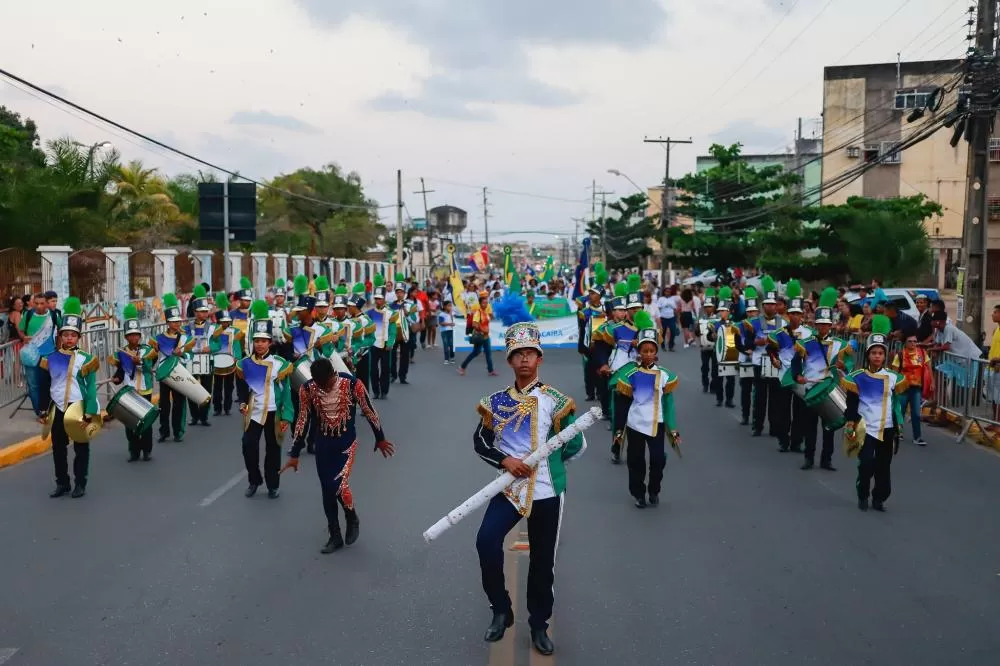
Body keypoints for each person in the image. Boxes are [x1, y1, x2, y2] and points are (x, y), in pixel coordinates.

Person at [473, 322, 586, 656]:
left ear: (539, 359)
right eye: (517, 354)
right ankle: (501, 609)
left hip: (547, 492)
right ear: (509, 361)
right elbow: (479, 441)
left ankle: (539, 624)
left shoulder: (556, 401)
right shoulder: (495, 401)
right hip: (509, 489)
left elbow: (575, 443)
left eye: (530, 354)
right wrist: (505, 461)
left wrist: (549, 468)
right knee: (486, 543)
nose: (524, 360)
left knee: (542, 560)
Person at [282, 357, 394, 552]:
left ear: (333, 374)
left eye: (326, 383)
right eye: (319, 384)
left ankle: (351, 516)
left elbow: (369, 411)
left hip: (346, 443)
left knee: (337, 484)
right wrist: (295, 452)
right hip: (323, 443)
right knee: (327, 489)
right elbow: (302, 420)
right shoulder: (307, 389)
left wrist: (380, 438)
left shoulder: (352, 384)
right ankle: (335, 535)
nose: (323, 388)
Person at [613, 313, 680, 508]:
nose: (648, 354)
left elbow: (668, 404)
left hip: (657, 425)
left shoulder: (665, 375)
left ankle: (654, 490)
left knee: (658, 460)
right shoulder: (630, 375)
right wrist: (619, 430)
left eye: (652, 350)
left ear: (656, 352)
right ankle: (639, 494)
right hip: (635, 424)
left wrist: (673, 429)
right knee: (636, 461)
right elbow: (622, 405)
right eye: (645, 350)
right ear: (639, 352)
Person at [842, 315, 908, 512]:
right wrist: (850, 423)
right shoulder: (857, 377)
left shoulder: (894, 377)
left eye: (881, 353)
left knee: (883, 467)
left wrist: (899, 425)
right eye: (874, 353)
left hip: (887, 429)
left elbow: (897, 403)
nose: (877, 356)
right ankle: (863, 494)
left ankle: (879, 498)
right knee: (866, 465)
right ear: (868, 355)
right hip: (866, 428)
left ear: (885, 355)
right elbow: (851, 403)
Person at [39, 297, 100, 498]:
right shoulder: (52, 358)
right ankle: (62, 483)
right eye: (66, 335)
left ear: (78, 337)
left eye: (73, 335)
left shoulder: (87, 360)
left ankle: (80, 483)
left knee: (81, 447)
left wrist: (90, 412)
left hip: (78, 408)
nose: (69, 339)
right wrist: (41, 409)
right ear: (61, 336)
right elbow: (45, 384)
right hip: (57, 408)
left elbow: (90, 387)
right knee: (58, 448)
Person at [236, 300, 294, 499]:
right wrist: (243, 402)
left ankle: (273, 485)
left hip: (273, 412)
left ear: (270, 342)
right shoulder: (245, 363)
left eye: (263, 340)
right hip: (254, 412)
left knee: (273, 450)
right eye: (257, 340)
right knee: (248, 446)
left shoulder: (280, 364)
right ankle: (254, 480)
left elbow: (286, 392)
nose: (259, 344)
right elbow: (243, 388)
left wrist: (287, 416)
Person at [109, 304, 158, 462]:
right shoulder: (122, 353)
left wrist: (140, 362)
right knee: (130, 423)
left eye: (136, 335)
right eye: (130, 335)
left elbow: (149, 367)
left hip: (144, 390)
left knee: (146, 423)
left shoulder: (147, 350)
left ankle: (147, 451)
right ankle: (134, 451)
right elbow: (121, 371)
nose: (134, 338)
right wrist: (116, 378)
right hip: (129, 391)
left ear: (140, 336)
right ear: (126, 337)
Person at [766, 280, 811, 454]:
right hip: (784, 376)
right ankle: (783, 440)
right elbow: (770, 349)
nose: (795, 317)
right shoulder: (779, 334)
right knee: (782, 411)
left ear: (802, 316)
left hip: (801, 377)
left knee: (800, 411)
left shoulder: (810, 334)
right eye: (792, 313)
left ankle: (796, 442)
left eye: (798, 314)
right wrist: (774, 359)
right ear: (787, 314)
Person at [150, 293, 194, 443]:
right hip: (164, 373)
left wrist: (182, 354)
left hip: (179, 372)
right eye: (173, 321)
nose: (177, 324)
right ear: (167, 322)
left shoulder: (185, 338)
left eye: (178, 321)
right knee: (164, 404)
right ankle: (164, 431)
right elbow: (154, 356)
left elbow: (190, 356)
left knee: (179, 403)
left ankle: (178, 431)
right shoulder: (158, 338)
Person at [748, 276, 786, 439]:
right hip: (759, 361)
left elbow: (787, 344)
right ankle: (757, 425)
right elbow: (749, 343)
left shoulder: (783, 323)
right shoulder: (755, 322)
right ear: (763, 306)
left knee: (776, 398)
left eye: (773, 304)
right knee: (760, 396)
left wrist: (777, 344)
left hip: (776, 363)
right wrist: (761, 341)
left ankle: (774, 427)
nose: (770, 307)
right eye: (767, 304)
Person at [890, 333, 932, 446]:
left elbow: (928, 366)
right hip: (902, 388)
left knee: (916, 414)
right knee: (900, 411)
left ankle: (917, 437)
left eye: (915, 341)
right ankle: (898, 433)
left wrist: (931, 382)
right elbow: (894, 371)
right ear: (905, 343)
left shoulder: (922, 353)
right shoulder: (900, 355)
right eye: (910, 341)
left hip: (916, 388)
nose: (913, 343)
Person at [209, 293, 244, 417]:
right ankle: (217, 408)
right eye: (223, 321)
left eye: (227, 321)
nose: (225, 323)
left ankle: (227, 407)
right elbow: (211, 344)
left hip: (231, 363)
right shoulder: (213, 330)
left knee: (229, 387)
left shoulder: (234, 331)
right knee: (217, 387)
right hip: (217, 363)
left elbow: (237, 347)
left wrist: (237, 358)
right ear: (218, 321)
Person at [184, 285, 214, 427]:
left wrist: (211, 347)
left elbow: (218, 343)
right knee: (192, 388)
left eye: (205, 311)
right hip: (192, 360)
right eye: (200, 311)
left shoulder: (213, 327)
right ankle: (194, 416)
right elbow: (184, 343)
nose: (204, 314)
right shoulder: (187, 327)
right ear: (195, 312)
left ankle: (204, 416)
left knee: (207, 389)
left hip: (207, 360)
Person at [365, 276, 395, 399]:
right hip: (373, 344)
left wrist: (390, 343)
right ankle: (376, 391)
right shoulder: (370, 313)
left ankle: (384, 391)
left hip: (386, 344)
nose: (378, 301)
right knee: (373, 370)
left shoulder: (391, 313)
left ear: (384, 299)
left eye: (380, 299)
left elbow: (392, 330)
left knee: (385, 369)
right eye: (376, 298)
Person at [709, 287, 737, 408]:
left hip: (731, 353)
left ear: (729, 312)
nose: (722, 313)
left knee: (730, 378)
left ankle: (729, 399)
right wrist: (713, 336)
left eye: (724, 310)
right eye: (720, 311)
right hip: (718, 353)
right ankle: (719, 398)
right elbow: (709, 337)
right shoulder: (715, 324)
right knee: (718, 377)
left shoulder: (735, 324)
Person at [460, 292, 497, 376]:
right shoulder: (478, 313)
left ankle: (490, 371)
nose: (485, 304)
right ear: (480, 304)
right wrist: (483, 330)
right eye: (484, 303)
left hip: (486, 337)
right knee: (475, 353)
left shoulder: (485, 313)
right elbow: (474, 324)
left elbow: (489, 319)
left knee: (488, 354)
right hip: (480, 336)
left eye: (486, 303)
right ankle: (462, 366)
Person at [697, 288, 718, 393]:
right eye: (706, 307)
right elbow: (697, 332)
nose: (708, 309)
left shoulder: (718, 318)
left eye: (710, 307)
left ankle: (713, 386)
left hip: (715, 347)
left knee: (715, 369)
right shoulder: (701, 318)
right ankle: (705, 384)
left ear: (713, 307)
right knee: (704, 367)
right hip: (704, 347)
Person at [439, 299, 456, 364]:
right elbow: (441, 323)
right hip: (444, 331)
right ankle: (446, 358)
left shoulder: (452, 313)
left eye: (451, 306)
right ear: (445, 307)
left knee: (451, 344)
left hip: (451, 331)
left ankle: (452, 357)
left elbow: (454, 321)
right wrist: (449, 324)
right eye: (449, 306)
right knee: (446, 344)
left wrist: (451, 314)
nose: (450, 307)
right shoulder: (442, 314)